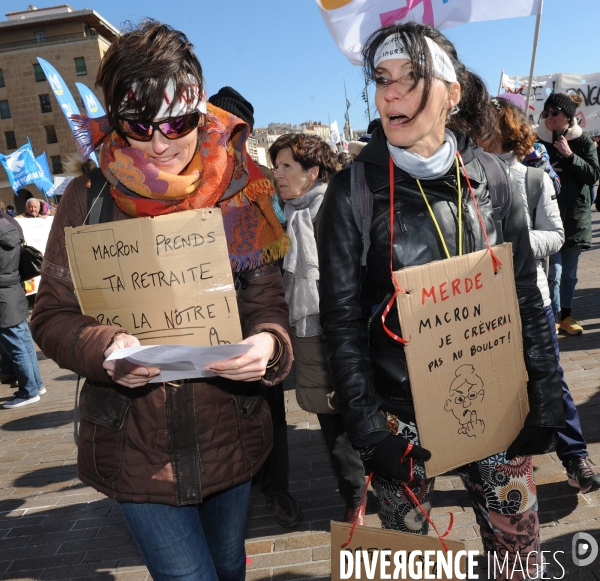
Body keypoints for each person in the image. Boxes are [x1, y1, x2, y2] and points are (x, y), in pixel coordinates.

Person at [30, 20, 292, 581]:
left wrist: (268, 344)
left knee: (227, 569)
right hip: (134, 448)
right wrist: (102, 347)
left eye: (179, 122)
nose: (161, 142)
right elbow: (50, 313)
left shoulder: (239, 192)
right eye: (139, 125)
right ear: (117, 122)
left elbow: (267, 300)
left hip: (232, 435)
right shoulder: (87, 197)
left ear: (200, 112)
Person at [317, 23, 564, 579]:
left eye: (412, 78)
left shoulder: (496, 179)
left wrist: (546, 389)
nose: (391, 93)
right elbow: (340, 319)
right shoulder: (353, 191)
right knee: (408, 569)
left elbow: (525, 290)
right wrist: (365, 426)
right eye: (382, 79)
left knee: (520, 559)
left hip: (496, 403)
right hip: (397, 419)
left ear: (452, 93)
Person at [484, 93, 600, 493]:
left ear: (505, 130)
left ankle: (575, 456)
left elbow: (555, 235)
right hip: (481, 304)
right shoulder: (464, 181)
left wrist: (510, 244)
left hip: (532, 299)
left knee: (551, 379)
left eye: (485, 123)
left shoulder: (533, 177)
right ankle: (505, 463)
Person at [207, 86, 301, 528]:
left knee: (268, 403)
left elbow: (279, 238)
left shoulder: (258, 178)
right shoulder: (184, 176)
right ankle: (238, 487)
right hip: (202, 316)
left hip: (253, 310)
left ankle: (276, 487)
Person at [271, 133, 368, 525]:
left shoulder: (343, 204)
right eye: (275, 165)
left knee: (366, 404)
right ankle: (355, 494)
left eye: (286, 166)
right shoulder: (279, 215)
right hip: (309, 327)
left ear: (312, 172)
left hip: (354, 323)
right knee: (330, 414)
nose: (277, 174)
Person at [537, 92, 600, 335]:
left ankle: (566, 316)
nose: (550, 117)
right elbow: (522, 170)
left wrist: (570, 156)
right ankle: (551, 317)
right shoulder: (537, 140)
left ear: (568, 116)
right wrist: (543, 169)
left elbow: (594, 174)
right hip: (547, 217)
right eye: (547, 113)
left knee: (570, 275)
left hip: (574, 217)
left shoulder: (582, 141)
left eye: (555, 112)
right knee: (554, 272)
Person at [0, 208, 45, 408]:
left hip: (3, 296)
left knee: (17, 345)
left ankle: (29, 391)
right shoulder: (10, 224)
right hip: (14, 290)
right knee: (24, 342)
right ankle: (36, 385)